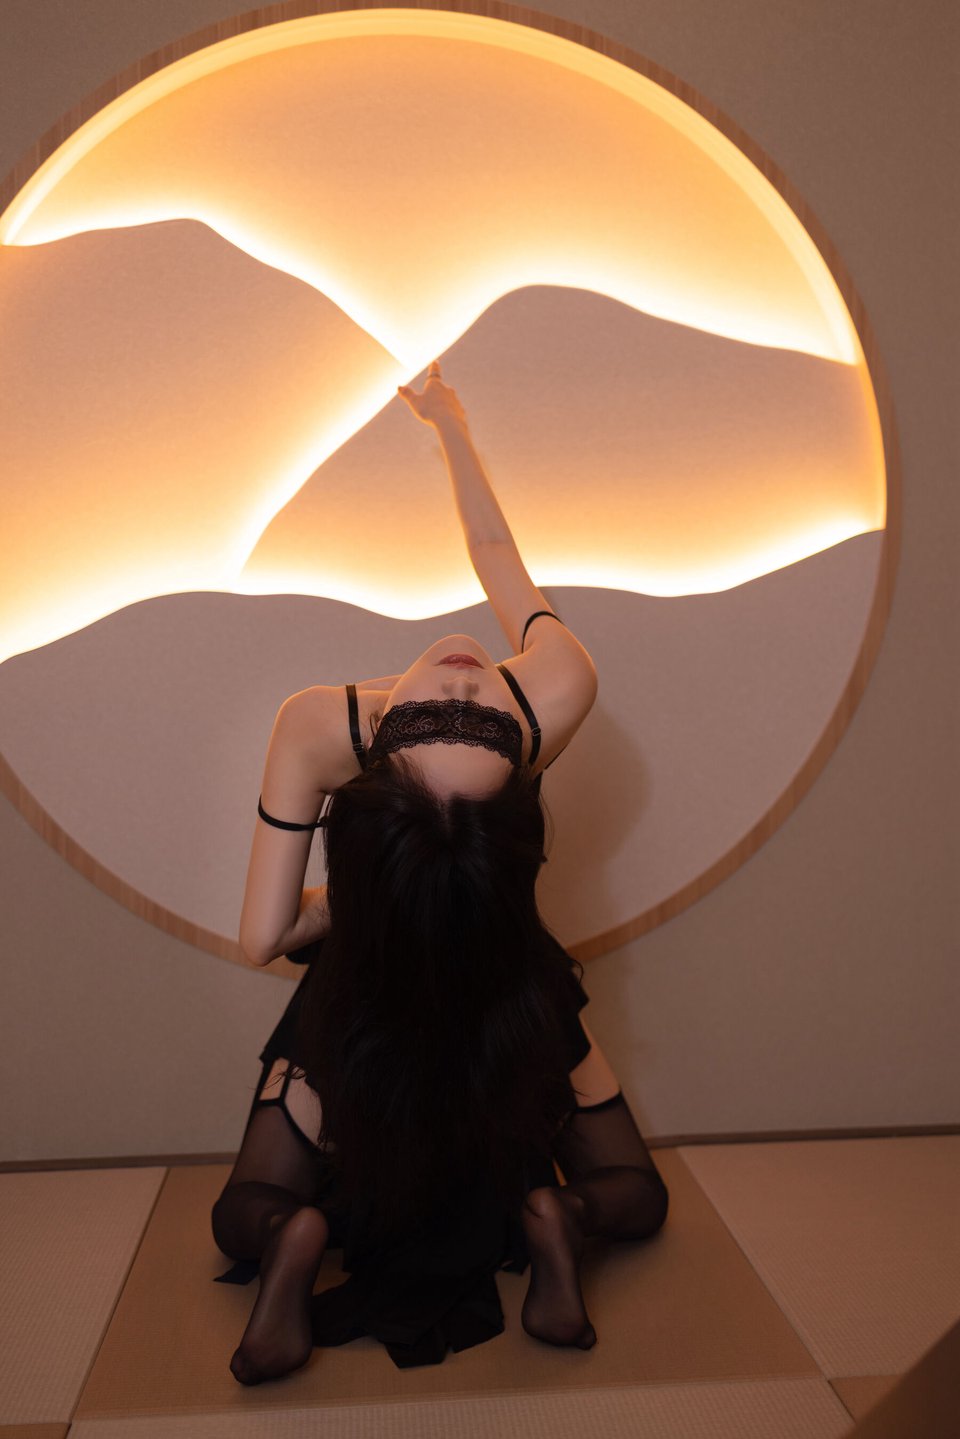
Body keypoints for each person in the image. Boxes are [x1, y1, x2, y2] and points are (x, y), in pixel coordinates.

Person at [210, 361, 669, 1385]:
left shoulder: (318, 723)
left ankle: (295, 1236)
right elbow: (500, 557)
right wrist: (451, 423)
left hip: (363, 991)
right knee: (630, 1190)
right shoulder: (553, 688)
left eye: (453, 717)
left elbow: (262, 934)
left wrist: (351, 906)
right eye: (469, 717)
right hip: (513, 992)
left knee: (249, 1208)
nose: (464, 684)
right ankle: (561, 1214)